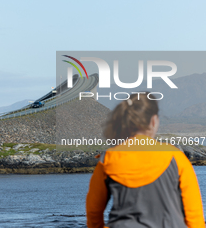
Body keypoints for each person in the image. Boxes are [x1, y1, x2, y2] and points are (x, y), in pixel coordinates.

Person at [86, 93, 205, 228]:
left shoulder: (108, 158)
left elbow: (93, 212)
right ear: (154, 121)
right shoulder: (176, 157)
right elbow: (194, 217)